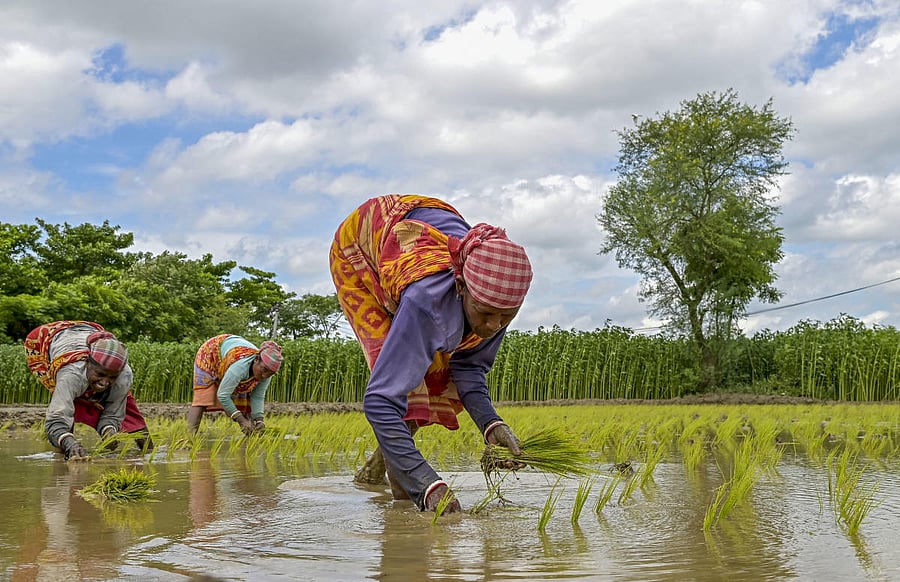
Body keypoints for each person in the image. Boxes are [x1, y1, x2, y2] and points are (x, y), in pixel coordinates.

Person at [330, 194, 532, 514]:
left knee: (435, 373)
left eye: (506, 317)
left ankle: (383, 467)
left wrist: (491, 424)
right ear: (462, 286)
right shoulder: (428, 300)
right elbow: (381, 399)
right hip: (361, 247)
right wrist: (429, 486)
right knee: (403, 383)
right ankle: (406, 492)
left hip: (423, 226)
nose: (494, 326)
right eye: (486, 313)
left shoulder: (495, 299)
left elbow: (468, 367)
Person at [24, 321, 153, 461]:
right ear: (87, 363)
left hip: (88, 332)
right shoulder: (71, 375)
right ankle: (67, 450)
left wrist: (110, 432)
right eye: (100, 375)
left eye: (112, 377)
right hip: (46, 341)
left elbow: (113, 414)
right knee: (69, 404)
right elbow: (56, 419)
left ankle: (148, 452)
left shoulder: (124, 377)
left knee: (128, 409)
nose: (104, 382)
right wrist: (70, 443)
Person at [187, 335, 283, 434]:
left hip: (232, 357)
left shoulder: (268, 371)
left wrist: (260, 420)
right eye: (264, 369)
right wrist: (240, 420)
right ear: (256, 360)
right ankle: (189, 439)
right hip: (211, 353)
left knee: (246, 404)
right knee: (202, 399)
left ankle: (251, 440)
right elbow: (223, 395)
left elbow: (257, 397)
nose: (264, 375)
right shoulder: (240, 367)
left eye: (270, 373)